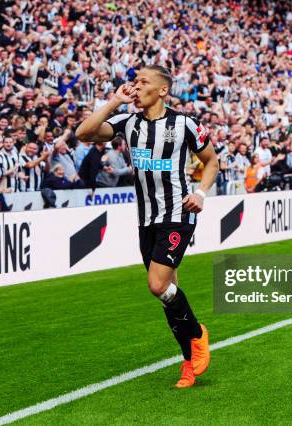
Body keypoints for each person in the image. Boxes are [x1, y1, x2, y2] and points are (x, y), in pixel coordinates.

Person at [76, 65, 218, 388]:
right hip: (146, 219)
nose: (136, 87)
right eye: (135, 81)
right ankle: (188, 361)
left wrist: (200, 192)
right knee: (168, 294)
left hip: (178, 213)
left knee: (157, 284)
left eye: (143, 82)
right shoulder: (129, 123)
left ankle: (197, 334)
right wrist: (114, 102)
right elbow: (84, 134)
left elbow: (212, 161)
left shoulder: (185, 125)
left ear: (162, 91)